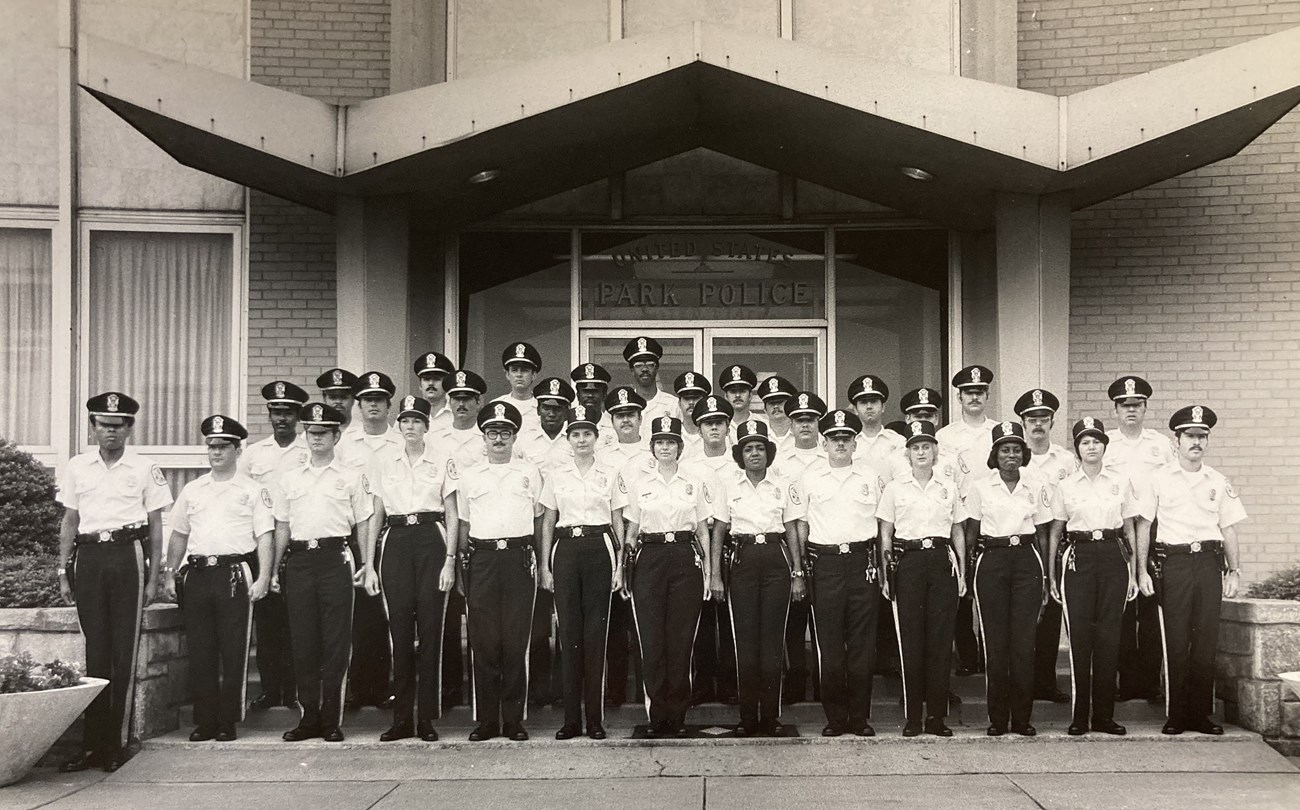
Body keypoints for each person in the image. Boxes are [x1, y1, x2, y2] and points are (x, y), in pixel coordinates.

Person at [56, 392, 173, 772]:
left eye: (118, 425)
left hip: (127, 555)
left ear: (129, 428)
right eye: (104, 425)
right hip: (89, 558)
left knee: (123, 651)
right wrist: (62, 570)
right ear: (93, 427)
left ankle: (116, 744)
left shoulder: (144, 468)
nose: (111, 432)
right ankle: (91, 746)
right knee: (96, 652)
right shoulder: (78, 466)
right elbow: (70, 521)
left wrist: (155, 576)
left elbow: (156, 526)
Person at [162, 415, 273, 742]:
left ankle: (228, 720)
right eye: (211, 446)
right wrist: (170, 574)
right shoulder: (193, 489)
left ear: (238, 450)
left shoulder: (253, 490)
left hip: (234, 573)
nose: (216, 452)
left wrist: (264, 576)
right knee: (201, 650)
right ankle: (205, 720)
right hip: (197, 574)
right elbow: (179, 534)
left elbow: (264, 535)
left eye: (223, 446)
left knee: (233, 649)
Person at [1136, 405, 1246, 735]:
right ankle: (1177, 714)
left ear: (1207, 441)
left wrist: (1235, 571)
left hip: (1210, 565)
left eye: (1201, 436)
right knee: (1176, 640)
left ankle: (1201, 714)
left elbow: (1228, 529)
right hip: (1175, 564)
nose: (1196, 442)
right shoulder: (1158, 479)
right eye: (1189, 436)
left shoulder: (1218, 480)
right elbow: (1144, 525)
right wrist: (1141, 571)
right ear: (1177, 441)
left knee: (1205, 641)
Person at [271, 402, 374, 743]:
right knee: (303, 641)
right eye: (310, 433)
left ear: (336, 435)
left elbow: (362, 522)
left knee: (335, 641)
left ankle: (331, 719)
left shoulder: (350, 476)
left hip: (335, 558)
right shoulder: (288, 478)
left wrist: (365, 563)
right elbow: (283, 526)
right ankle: (308, 717)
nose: (315, 439)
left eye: (322, 433)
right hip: (300, 561)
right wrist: (274, 568)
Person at [363, 395, 458, 742]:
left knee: (431, 630)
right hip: (397, 542)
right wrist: (369, 564)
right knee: (399, 632)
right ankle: (402, 718)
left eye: (417, 421)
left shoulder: (442, 460)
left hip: (432, 540)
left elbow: (451, 512)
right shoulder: (383, 461)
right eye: (405, 421)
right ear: (398, 425)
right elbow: (375, 513)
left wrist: (450, 559)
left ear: (427, 425)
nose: (411, 427)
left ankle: (427, 719)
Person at [617, 416, 712, 738]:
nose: (665, 447)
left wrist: (710, 572)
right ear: (652, 447)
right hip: (650, 558)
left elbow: (701, 528)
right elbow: (631, 529)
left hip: (685, 558)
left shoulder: (693, 482)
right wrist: (623, 567)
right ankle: (657, 715)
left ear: (680, 447)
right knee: (652, 639)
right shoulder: (641, 483)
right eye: (660, 442)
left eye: (670, 442)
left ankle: (678, 715)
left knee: (681, 639)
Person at [455, 401, 542, 742]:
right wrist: (463, 563)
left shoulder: (528, 472)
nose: (499, 439)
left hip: (519, 557)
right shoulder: (470, 475)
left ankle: (514, 719)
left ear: (514, 437)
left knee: (515, 640)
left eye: (505, 433)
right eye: (493, 433)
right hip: (483, 559)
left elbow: (538, 518)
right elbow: (463, 521)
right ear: (484, 438)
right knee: (484, 641)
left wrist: (537, 555)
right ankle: (487, 719)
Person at [792, 409, 882, 737]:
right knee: (829, 647)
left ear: (855, 443)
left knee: (861, 646)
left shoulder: (871, 478)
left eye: (846, 438)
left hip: (862, 564)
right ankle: (835, 718)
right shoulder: (810, 478)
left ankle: (860, 718)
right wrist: (801, 567)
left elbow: (884, 525)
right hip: (826, 565)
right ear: (824, 443)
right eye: (834, 439)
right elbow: (801, 526)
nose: (840, 444)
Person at [538, 405, 625, 740]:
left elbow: (617, 520)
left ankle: (595, 719)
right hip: (566, 549)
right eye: (576, 434)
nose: (582, 439)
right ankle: (570, 719)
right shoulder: (557, 474)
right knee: (569, 635)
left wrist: (619, 564)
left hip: (598, 546)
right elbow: (548, 521)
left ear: (596, 438)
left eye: (587, 433)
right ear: (568, 438)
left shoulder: (610, 472)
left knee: (595, 635)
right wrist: (545, 566)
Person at [1048, 417, 1138, 736]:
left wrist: (1135, 572)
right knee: (1081, 640)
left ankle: (1104, 717)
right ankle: (1079, 716)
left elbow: (1129, 528)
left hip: (1113, 554)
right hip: (1079, 557)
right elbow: (1057, 531)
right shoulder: (1066, 485)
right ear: (1077, 449)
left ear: (1104, 446)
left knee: (1109, 638)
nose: (1091, 446)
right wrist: (1053, 574)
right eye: (1085, 442)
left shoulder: (1119, 481)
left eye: (1096, 441)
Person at [712, 420, 803, 736]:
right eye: (748, 448)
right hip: (743, 559)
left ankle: (771, 717)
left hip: (776, 558)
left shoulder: (782, 485)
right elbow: (719, 531)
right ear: (740, 454)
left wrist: (798, 573)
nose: (754, 454)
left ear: (769, 453)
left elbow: (791, 530)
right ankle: (748, 716)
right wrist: (716, 577)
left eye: (760, 448)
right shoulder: (730, 486)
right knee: (745, 642)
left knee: (772, 642)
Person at [964, 421, 1052, 736]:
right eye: (1005, 450)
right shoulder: (979, 487)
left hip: (1027, 560)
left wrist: (1045, 574)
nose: (1011, 455)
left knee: (1023, 644)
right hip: (993, 560)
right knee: (996, 644)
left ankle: (1022, 719)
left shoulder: (1036, 485)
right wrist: (969, 572)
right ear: (995, 455)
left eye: (1016, 449)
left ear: (1023, 453)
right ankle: (998, 719)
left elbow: (1042, 533)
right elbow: (971, 534)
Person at [877, 421, 964, 737]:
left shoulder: (948, 487)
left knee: (940, 642)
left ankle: (937, 718)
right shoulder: (895, 487)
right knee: (910, 642)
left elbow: (957, 529)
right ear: (908, 453)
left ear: (936, 451)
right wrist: (887, 573)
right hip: (909, 562)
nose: (922, 452)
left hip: (941, 561)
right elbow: (886, 532)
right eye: (916, 447)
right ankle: (913, 717)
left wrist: (963, 572)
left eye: (927, 446)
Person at [1105, 375, 1174, 703]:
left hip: (1155, 529)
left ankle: (1150, 682)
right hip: (1117, 531)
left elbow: (1172, 485)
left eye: (1136, 405)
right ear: (1115, 409)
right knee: (1121, 607)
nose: (1130, 410)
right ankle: (1125, 681)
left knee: (1151, 608)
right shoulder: (1104, 443)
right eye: (1124, 405)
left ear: (1145, 407)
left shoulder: (1159, 444)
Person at [241, 380, 309, 713]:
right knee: (268, 625)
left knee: (298, 622)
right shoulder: (254, 454)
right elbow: (242, 496)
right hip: (263, 545)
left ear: (298, 416)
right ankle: (270, 690)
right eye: (276, 412)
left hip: (298, 542)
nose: (281, 419)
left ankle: (294, 691)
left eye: (288, 413)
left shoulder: (308, 451)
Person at [336, 371, 400, 711]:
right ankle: (359, 688)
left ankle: (386, 686)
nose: (373, 405)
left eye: (379, 400)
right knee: (359, 614)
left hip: (393, 532)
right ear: (358, 405)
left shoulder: (401, 440)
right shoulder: (344, 444)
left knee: (389, 613)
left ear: (388, 404)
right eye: (366, 400)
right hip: (354, 534)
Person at [427, 368, 489, 709]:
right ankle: (450, 688)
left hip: (483, 530)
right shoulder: (435, 438)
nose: (461, 404)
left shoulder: (491, 435)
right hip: (448, 530)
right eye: (456, 398)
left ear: (479, 401)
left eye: (467, 398)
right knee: (447, 613)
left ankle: (481, 691)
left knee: (481, 617)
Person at [1013, 388, 1076, 704]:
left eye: (1043, 418)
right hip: (1024, 544)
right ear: (1022, 422)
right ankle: (1021, 682)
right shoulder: (1010, 455)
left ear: (1052, 422)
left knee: (1051, 613)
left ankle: (1046, 682)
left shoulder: (1065, 460)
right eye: (1031, 419)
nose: (1038, 424)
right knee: (1023, 617)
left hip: (1058, 543)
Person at [768, 391, 827, 705]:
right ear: (790, 424)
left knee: (822, 621)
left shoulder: (828, 455)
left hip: (822, 547)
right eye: (799, 419)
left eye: (811, 419)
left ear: (818, 423)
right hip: (789, 546)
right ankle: (794, 682)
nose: (805, 425)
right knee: (791, 621)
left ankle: (821, 683)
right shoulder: (777, 459)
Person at [939, 365, 997, 678]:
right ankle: (967, 655)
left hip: (993, 520)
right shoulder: (944, 436)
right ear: (959, 397)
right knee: (961, 588)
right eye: (968, 393)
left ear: (987, 395)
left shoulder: (999, 430)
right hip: (959, 520)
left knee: (989, 593)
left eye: (979, 392)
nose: (974, 397)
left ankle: (990, 652)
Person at [599, 386, 650, 709]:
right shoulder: (602, 456)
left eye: (630, 414)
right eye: (619, 415)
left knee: (645, 623)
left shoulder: (654, 451)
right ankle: (616, 692)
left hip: (647, 543)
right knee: (614, 623)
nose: (626, 420)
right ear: (612, 421)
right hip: (612, 543)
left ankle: (646, 692)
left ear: (640, 418)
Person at [684, 395, 737, 705]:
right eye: (707, 423)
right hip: (699, 543)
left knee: (731, 617)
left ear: (728, 426)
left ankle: (730, 683)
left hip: (734, 542)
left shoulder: (738, 460)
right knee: (701, 615)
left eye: (719, 422)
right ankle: (703, 682)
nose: (713, 427)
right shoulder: (689, 464)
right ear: (699, 428)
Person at [493, 341, 544, 437]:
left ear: (533, 375)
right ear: (507, 374)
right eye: (514, 370)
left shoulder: (543, 406)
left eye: (524, 370)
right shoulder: (496, 405)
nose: (519, 375)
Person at [623, 336, 678, 423]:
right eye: (639, 365)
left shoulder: (673, 404)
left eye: (650, 364)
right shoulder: (624, 404)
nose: (645, 369)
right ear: (632, 371)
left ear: (657, 368)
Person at [414, 351, 457, 432]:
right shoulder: (408, 416)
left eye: (436, 379)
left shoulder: (456, 415)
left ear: (446, 385)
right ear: (420, 385)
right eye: (426, 379)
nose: (431, 383)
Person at [673, 371, 712, 460]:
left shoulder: (714, 433)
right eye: (686, 398)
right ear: (679, 403)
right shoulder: (673, 434)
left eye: (696, 398)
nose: (691, 403)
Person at [758, 376, 798, 453]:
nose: (776, 407)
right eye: (771, 403)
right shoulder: (759, 434)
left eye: (780, 402)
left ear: (790, 406)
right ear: (765, 410)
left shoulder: (801, 432)